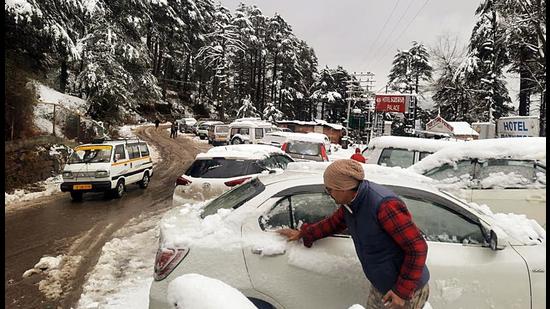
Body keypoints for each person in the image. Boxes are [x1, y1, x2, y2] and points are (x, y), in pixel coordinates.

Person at [277, 159, 429, 309]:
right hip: (383, 285)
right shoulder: (352, 204)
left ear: (343, 188)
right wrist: (304, 233)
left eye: (329, 189)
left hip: (405, 291)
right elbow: (334, 223)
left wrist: (401, 293)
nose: (328, 193)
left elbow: (417, 247)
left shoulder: (384, 206)